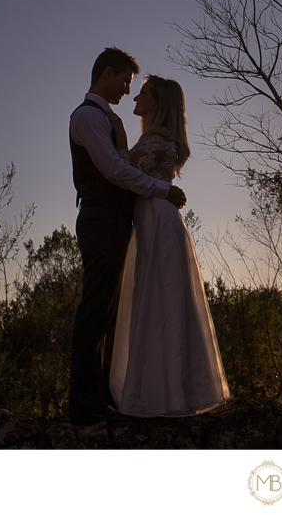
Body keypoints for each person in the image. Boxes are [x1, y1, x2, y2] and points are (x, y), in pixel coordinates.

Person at [68, 47, 186, 425]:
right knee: (95, 309)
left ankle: (104, 396)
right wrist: (161, 189)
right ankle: (84, 403)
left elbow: (122, 167)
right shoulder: (88, 118)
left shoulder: (109, 119)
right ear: (106, 74)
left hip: (118, 221)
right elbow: (115, 171)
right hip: (101, 218)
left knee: (109, 313)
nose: (126, 90)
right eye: (124, 81)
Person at [107, 74, 230, 417]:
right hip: (153, 220)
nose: (135, 99)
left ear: (158, 103)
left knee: (159, 300)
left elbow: (119, 171)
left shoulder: (158, 139)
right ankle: (163, 391)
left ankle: (164, 396)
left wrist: (116, 136)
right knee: (157, 299)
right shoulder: (156, 138)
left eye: (143, 93)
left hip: (158, 221)